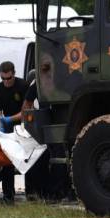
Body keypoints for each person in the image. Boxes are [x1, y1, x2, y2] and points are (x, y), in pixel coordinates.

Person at [22, 71, 72, 202]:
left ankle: (57, 193)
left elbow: (27, 105)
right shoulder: (65, 77)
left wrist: (29, 122)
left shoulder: (39, 82)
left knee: (58, 157)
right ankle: (62, 192)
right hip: (61, 123)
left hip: (55, 124)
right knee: (60, 157)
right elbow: (27, 105)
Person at [0, 61, 29, 203]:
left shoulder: (23, 86)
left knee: (27, 161)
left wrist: (10, 119)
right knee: (7, 163)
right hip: (8, 129)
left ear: (14, 74)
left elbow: (26, 111)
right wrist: (0, 124)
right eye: (3, 79)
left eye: (9, 78)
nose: (6, 81)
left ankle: (31, 193)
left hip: (24, 126)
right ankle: (8, 196)